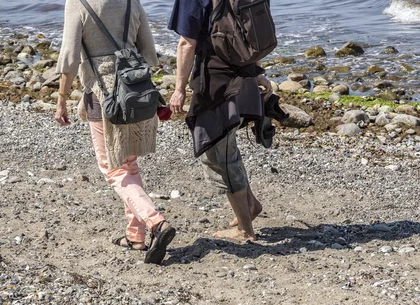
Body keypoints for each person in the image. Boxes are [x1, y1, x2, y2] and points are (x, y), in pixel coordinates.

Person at [55, 0, 175, 264]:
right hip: (138, 89)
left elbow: (70, 55)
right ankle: (135, 236)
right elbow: (148, 48)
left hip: (105, 94)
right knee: (129, 164)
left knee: (112, 168)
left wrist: (62, 98)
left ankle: (156, 223)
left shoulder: (77, 2)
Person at [168, 0, 273, 242]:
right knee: (227, 145)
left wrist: (179, 88)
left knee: (217, 151)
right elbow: (248, 31)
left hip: (215, 83)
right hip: (243, 75)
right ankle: (251, 205)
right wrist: (257, 71)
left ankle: (245, 229)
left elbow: (187, 43)